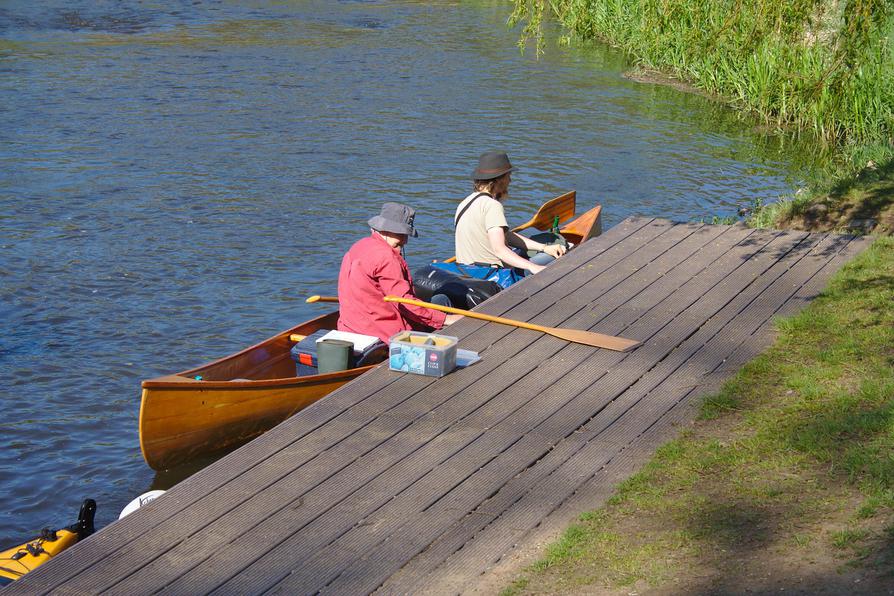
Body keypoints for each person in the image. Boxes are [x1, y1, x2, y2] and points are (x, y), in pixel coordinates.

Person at [337, 202, 462, 343]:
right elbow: (404, 302)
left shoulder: (359, 245)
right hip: (385, 335)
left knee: (440, 301)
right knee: (444, 304)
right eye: (400, 234)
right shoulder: (386, 257)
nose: (405, 240)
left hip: (349, 327)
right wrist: (446, 319)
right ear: (384, 229)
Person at [454, 151, 566, 277]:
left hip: (464, 273)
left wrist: (544, 247)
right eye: (508, 176)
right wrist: (533, 267)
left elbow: (505, 236)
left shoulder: (464, 204)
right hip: (492, 276)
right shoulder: (492, 206)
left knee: (544, 250)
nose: (510, 180)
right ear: (499, 179)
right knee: (562, 247)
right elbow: (500, 249)